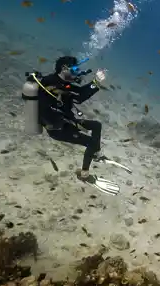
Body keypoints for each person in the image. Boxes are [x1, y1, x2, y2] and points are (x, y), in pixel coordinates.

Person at [37, 56, 122, 195]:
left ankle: (96, 154)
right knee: (90, 142)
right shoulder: (49, 83)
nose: (77, 73)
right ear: (64, 68)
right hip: (57, 128)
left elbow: (80, 96)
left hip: (66, 122)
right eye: (75, 69)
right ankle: (84, 175)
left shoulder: (63, 83)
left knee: (96, 126)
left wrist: (96, 82)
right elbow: (51, 104)